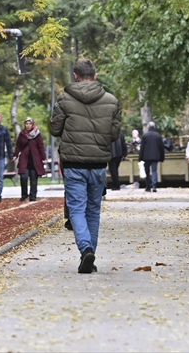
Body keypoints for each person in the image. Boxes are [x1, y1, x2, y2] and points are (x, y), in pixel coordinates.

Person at [50, 58, 121, 274]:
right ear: (96, 76)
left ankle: (86, 249)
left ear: (75, 76)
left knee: (76, 209)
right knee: (93, 211)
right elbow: (115, 134)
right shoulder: (111, 100)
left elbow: (54, 129)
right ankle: (90, 254)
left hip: (73, 163)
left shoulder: (64, 99)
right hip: (98, 163)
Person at [14, 117, 46, 202]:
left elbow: (40, 146)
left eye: (29, 124)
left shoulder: (37, 134)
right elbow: (18, 146)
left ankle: (33, 196)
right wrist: (15, 155)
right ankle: (24, 194)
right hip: (24, 159)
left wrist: (44, 158)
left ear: (32, 124)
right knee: (23, 177)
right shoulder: (22, 134)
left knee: (33, 179)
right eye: (26, 124)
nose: (28, 125)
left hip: (35, 160)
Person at [138, 122, 165, 192]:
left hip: (146, 156)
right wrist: (162, 157)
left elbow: (142, 148)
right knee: (154, 171)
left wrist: (140, 157)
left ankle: (148, 186)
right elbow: (161, 147)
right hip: (155, 156)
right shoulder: (158, 136)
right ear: (154, 127)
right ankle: (154, 185)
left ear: (148, 127)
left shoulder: (145, 135)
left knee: (147, 171)